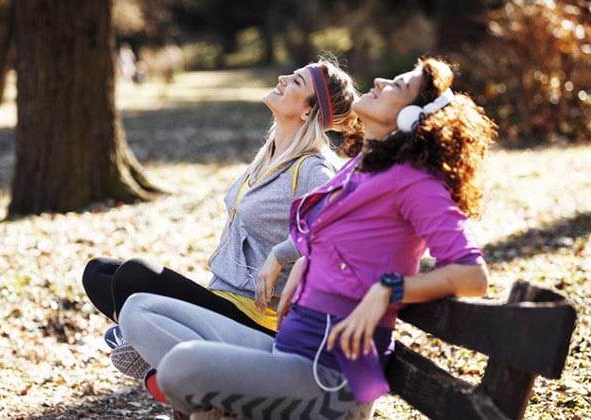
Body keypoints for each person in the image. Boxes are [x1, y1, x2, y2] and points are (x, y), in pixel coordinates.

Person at [118, 56, 497, 419]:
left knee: (181, 367)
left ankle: (219, 404)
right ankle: (221, 405)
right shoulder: (359, 171)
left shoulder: (414, 183)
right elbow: (337, 237)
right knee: (140, 309)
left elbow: (472, 276)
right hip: (286, 351)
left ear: (412, 118)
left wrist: (387, 290)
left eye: (398, 85)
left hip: (330, 380)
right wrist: (303, 258)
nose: (380, 81)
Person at [82, 58, 362, 380]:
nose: (283, 78)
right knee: (100, 272)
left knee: (135, 274)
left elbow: (343, 230)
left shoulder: (314, 169)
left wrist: (281, 255)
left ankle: (148, 356)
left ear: (307, 111)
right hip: (220, 297)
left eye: (296, 82)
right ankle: (145, 348)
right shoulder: (269, 156)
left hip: (254, 320)